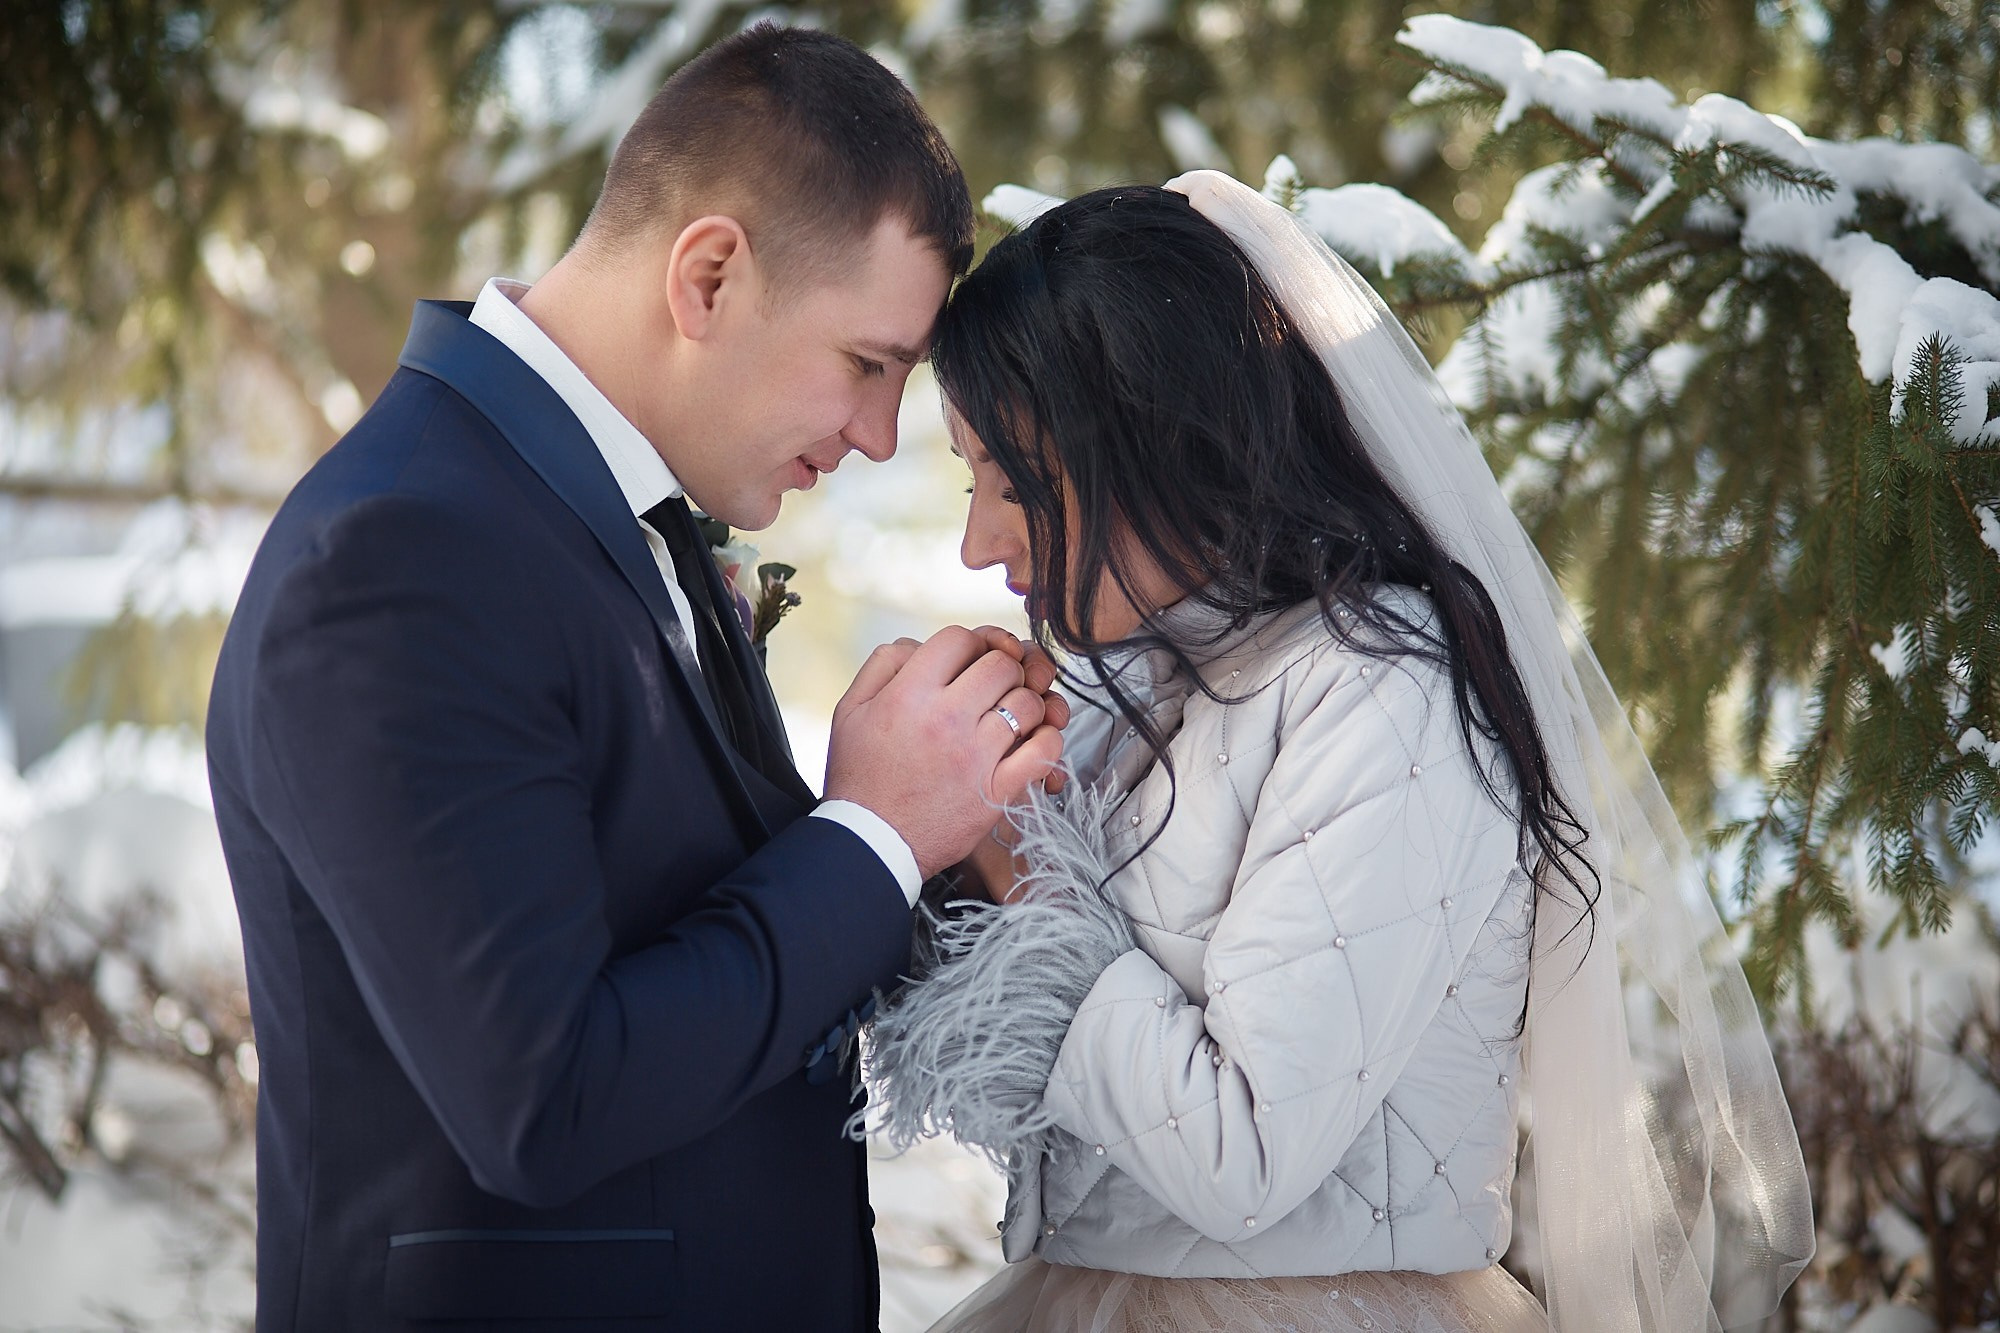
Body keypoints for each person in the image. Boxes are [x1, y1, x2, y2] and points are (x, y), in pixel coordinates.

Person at [205, 25, 1064, 1332]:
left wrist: (956, 833)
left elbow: (692, 940)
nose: (883, 436)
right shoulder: (402, 556)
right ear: (711, 273)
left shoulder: (592, 516)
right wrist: (873, 831)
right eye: (869, 365)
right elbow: (546, 1099)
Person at [863, 174, 1815, 1332]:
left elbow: (1241, 1154)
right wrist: (938, 829)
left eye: (1013, 483)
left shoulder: (1386, 684)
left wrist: (1033, 885)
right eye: (972, 480)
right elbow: (1056, 1117)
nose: (976, 541)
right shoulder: (1128, 682)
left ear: (1160, 441)